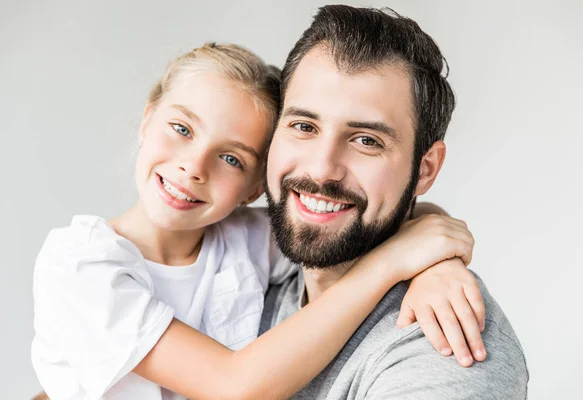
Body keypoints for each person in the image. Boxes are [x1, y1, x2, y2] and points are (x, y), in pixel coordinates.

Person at [31, 43, 480, 400]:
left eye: (231, 157)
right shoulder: (81, 264)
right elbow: (234, 386)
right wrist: (396, 264)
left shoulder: (246, 239)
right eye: (182, 129)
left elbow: (359, 218)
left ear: (256, 185)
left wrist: (436, 265)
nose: (193, 167)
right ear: (148, 119)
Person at [260, 5, 529, 399]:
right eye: (304, 126)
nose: (321, 171)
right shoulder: (250, 264)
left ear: (425, 169)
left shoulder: (444, 349)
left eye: (366, 140)